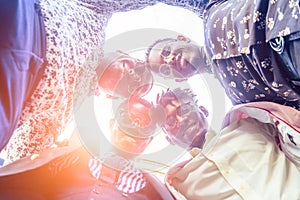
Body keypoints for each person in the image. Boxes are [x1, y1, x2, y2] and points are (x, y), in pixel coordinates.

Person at [0, 0, 207, 163]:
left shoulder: (64, 115)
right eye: (140, 70)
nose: (135, 77)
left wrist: (55, 155)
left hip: (15, 91)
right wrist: (207, 5)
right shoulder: (95, 12)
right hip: (25, 21)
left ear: (110, 96)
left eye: (135, 89)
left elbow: (21, 158)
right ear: (121, 52)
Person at [0, 97, 174, 199]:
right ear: (112, 124)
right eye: (129, 118)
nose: (135, 127)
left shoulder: (154, 192)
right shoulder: (67, 160)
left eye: (144, 125)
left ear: (148, 141)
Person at [147, 0, 300, 110]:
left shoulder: (209, 8)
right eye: (165, 70)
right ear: (180, 79)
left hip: (291, 13)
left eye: (165, 52)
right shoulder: (240, 103)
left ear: (182, 38)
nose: (169, 61)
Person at [156, 87, 300, 199]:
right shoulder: (179, 184)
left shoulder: (249, 124)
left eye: (184, 109)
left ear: (203, 110)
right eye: (170, 121)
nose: (181, 121)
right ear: (169, 139)